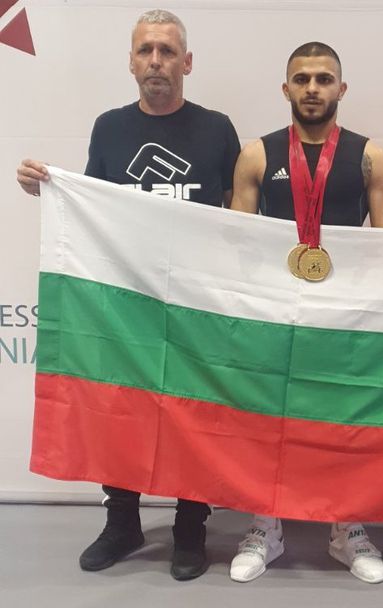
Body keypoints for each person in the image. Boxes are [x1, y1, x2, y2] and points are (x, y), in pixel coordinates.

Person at [17, 9, 240, 581]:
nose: (156, 61)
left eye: (167, 51)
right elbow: (91, 204)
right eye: (146, 51)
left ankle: (190, 527)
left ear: (187, 62)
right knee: (118, 411)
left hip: (195, 303)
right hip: (126, 302)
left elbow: (240, 216)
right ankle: (122, 523)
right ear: (131, 62)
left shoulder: (217, 129)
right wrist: (49, 188)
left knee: (193, 411)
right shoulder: (109, 128)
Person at [229, 42, 383, 584]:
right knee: (269, 418)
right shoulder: (257, 154)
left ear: (341, 89)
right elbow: (237, 244)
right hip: (275, 309)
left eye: (323, 79)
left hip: (346, 313)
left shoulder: (371, 156)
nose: (312, 88)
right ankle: (266, 525)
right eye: (301, 78)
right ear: (286, 88)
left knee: (345, 420)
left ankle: (347, 527)